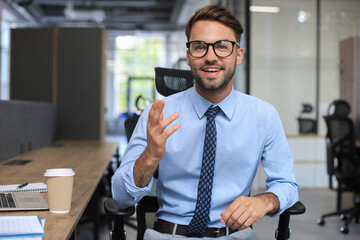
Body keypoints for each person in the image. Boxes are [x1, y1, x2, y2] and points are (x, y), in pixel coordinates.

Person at [112, 4, 299, 240]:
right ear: (189, 56)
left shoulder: (264, 115)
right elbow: (120, 197)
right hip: (169, 235)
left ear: (238, 55)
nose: (211, 56)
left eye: (222, 46)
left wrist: (264, 201)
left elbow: (288, 185)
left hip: (234, 236)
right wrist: (149, 157)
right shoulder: (158, 114)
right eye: (200, 46)